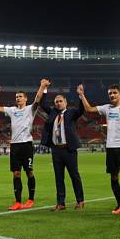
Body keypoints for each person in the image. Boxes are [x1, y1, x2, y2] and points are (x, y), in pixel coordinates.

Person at [79, 83, 120, 218]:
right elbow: (88, 109)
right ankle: (119, 204)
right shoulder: (106, 108)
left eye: (114, 93)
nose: (112, 95)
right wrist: (81, 94)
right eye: (110, 93)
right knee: (114, 176)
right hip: (110, 147)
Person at [0, 81, 45, 210]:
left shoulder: (30, 109)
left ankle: (31, 199)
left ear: (25, 98)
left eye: (20, 96)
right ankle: (17, 202)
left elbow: (38, 98)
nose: (18, 98)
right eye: (16, 97)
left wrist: (42, 86)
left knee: (29, 172)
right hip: (15, 146)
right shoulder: (12, 110)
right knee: (16, 173)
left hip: (26, 144)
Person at [38, 79, 85, 211]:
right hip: (56, 150)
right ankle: (61, 203)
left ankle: (80, 201)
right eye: (56, 102)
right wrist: (45, 89)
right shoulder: (53, 113)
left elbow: (82, 110)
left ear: (65, 102)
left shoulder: (71, 113)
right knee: (59, 178)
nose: (58, 103)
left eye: (60, 101)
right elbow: (42, 103)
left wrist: (80, 95)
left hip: (69, 150)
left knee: (74, 175)